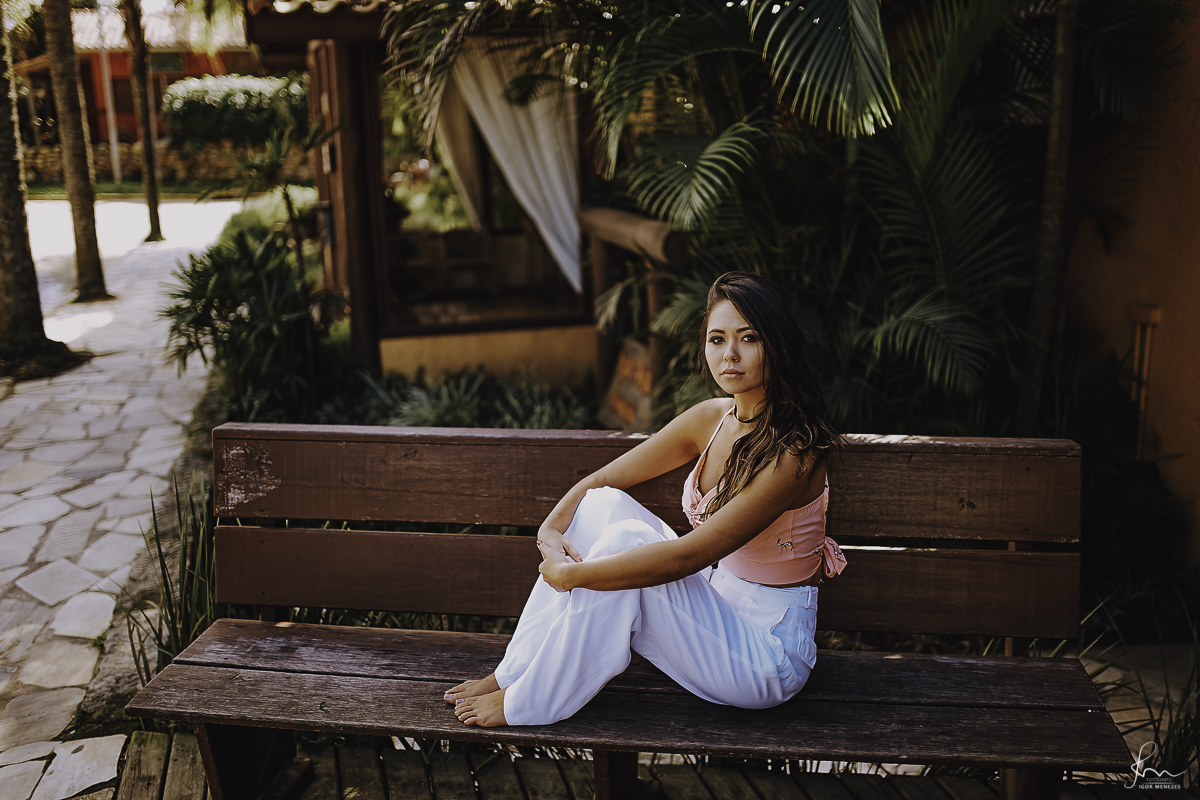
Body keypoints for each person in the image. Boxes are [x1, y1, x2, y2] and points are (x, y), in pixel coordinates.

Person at [445, 272, 847, 727]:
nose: (729, 354)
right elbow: (601, 482)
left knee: (629, 539)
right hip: (716, 611)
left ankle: (530, 701)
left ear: (777, 344)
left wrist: (571, 575)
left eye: (748, 338)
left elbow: (688, 556)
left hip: (766, 658)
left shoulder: (795, 451)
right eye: (717, 339)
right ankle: (512, 673)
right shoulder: (714, 418)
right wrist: (550, 529)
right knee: (604, 507)